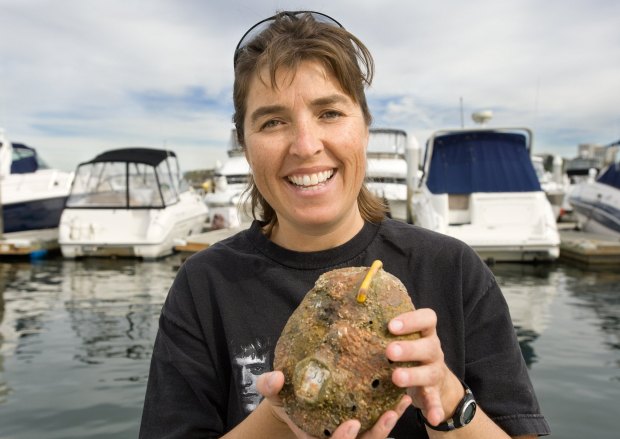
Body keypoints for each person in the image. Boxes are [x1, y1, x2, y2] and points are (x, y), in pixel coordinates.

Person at [139, 11, 550, 439]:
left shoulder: (452, 269)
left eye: (330, 113)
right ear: (245, 144)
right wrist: (281, 418)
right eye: (273, 121)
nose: (306, 145)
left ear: (365, 127)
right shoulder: (205, 286)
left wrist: (445, 397)